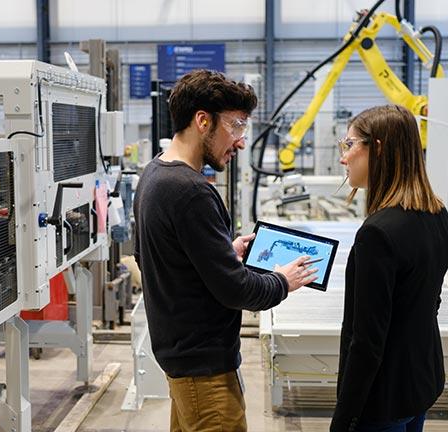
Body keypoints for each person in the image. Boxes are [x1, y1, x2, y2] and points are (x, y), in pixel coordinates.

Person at [133, 69, 318, 432]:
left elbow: (155, 258)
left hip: (182, 365)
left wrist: (221, 252)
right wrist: (283, 280)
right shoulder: (191, 191)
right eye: (235, 126)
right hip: (206, 375)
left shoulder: (154, 174)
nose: (242, 141)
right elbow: (239, 291)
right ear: (202, 121)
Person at [331, 105, 448, 432]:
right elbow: (427, 305)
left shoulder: (378, 234)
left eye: (350, 144)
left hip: (381, 400)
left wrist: (344, 418)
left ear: (379, 149)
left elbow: (367, 342)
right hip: (419, 385)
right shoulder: (437, 215)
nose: (344, 157)